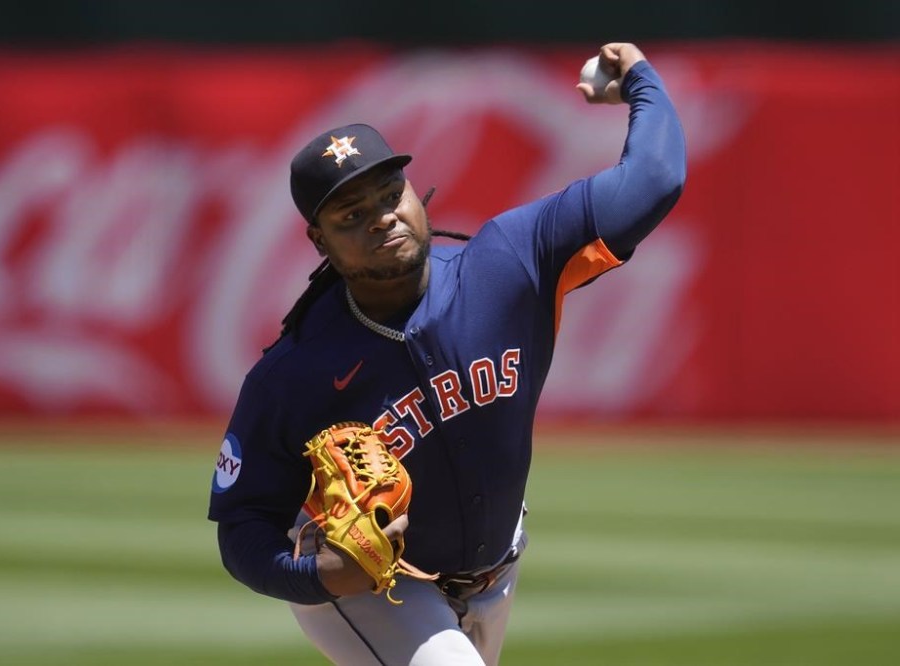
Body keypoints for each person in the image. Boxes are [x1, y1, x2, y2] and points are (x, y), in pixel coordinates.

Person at [208, 42, 685, 665]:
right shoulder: (294, 373)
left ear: (414, 191)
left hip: (497, 570)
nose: (381, 218)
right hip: (371, 586)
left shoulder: (509, 264)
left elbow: (655, 178)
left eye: (390, 193)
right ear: (318, 240)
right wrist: (317, 576)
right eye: (352, 214)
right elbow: (242, 524)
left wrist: (641, 81)